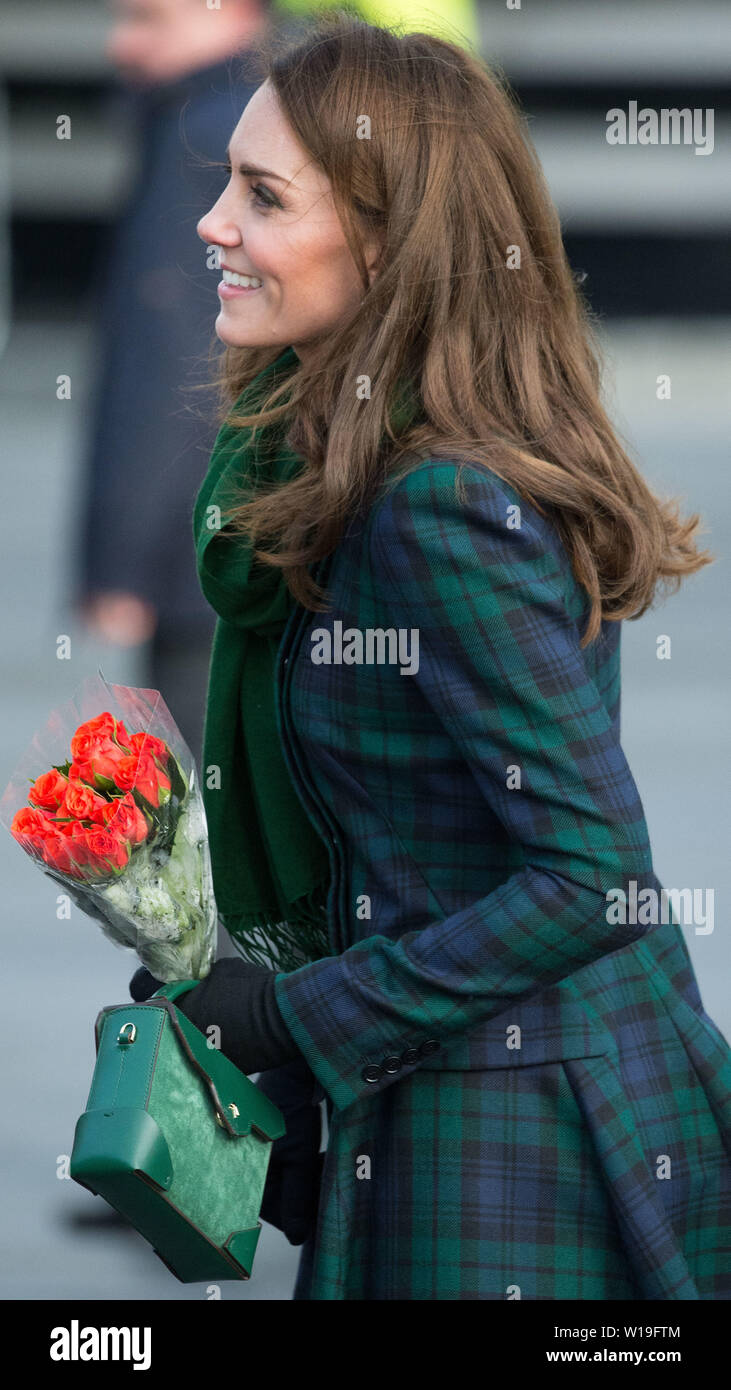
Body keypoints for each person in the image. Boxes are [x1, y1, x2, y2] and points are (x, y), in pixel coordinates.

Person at [131, 15, 731, 1300]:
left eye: (262, 195)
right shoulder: (347, 466)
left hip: (512, 1137)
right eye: (225, 182)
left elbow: (589, 872)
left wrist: (289, 1014)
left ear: (386, 243)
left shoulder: (434, 504)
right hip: (436, 1090)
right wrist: (222, 978)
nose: (211, 223)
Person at [75, 0, 274, 769]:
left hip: (206, 549)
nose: (120, 42)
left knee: (202, 796)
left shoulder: (206, 129)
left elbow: (167, 354)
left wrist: (126, 559)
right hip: (248, 531)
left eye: (146, 18)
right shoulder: (258, 114)